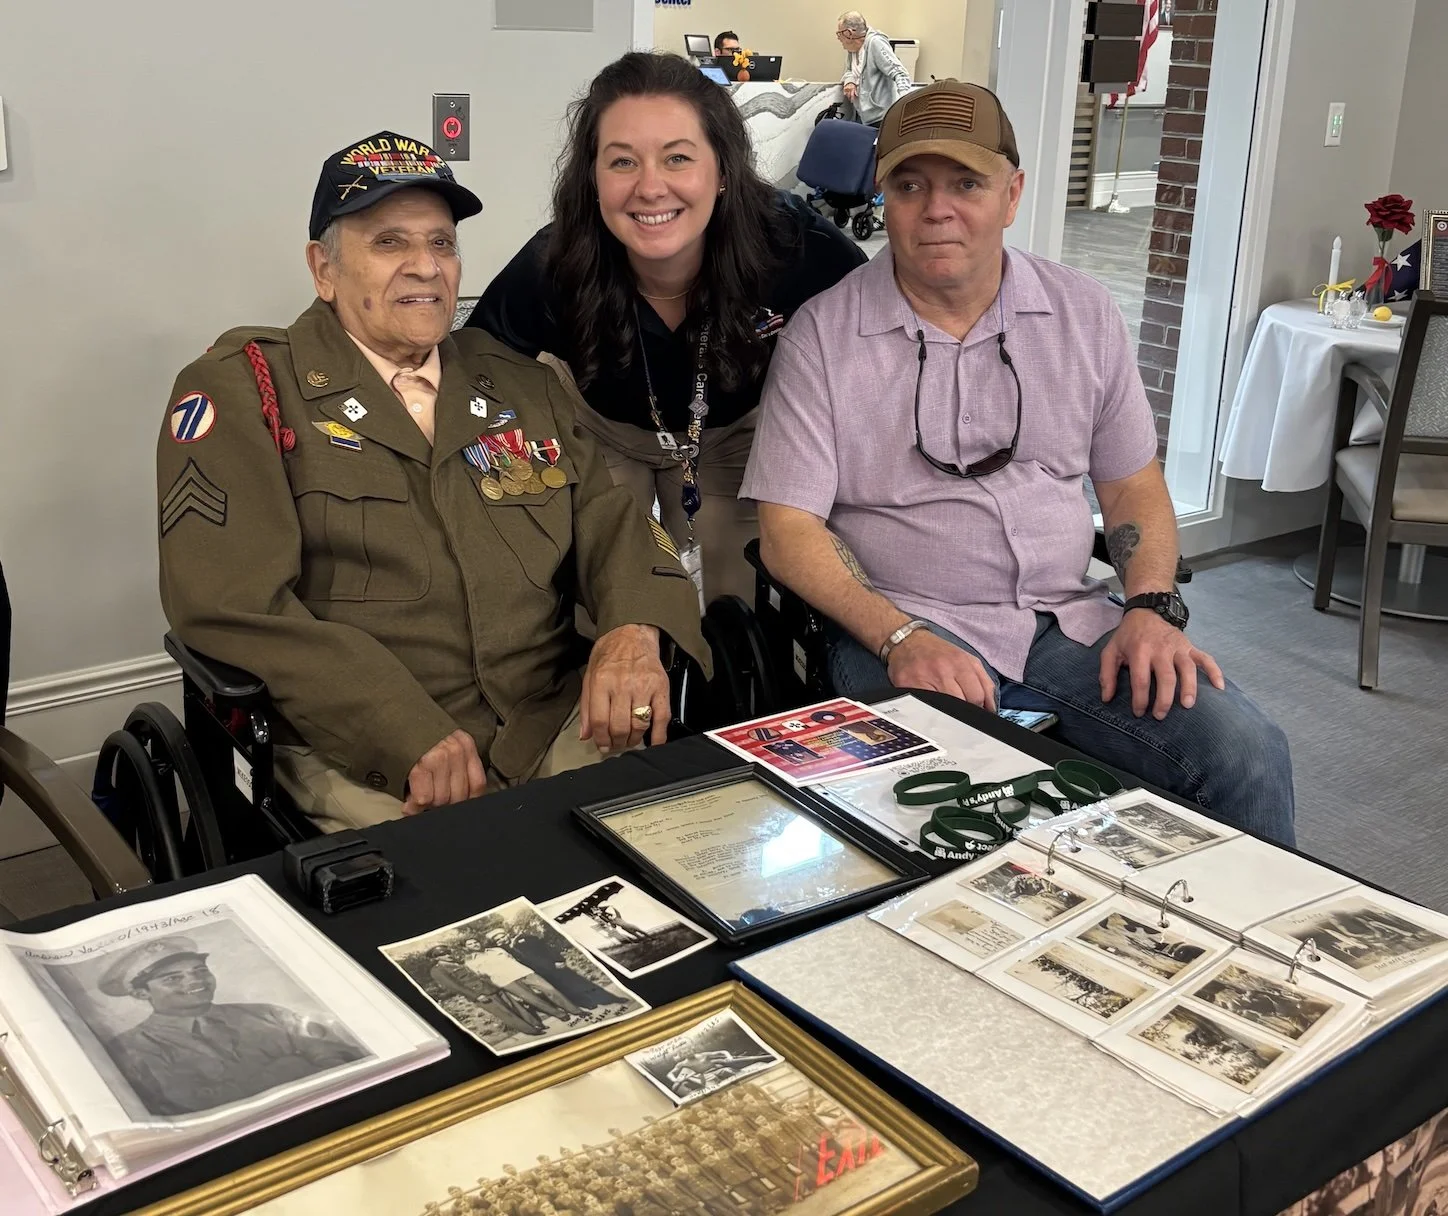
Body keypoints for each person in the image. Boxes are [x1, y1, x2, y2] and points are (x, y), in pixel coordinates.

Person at [740, 81, 1295, 845]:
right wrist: (900, 636)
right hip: (902, 624)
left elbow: (1132, 482)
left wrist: (1151, 607)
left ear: (1013, 193)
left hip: (1067, 623)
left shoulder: (1083, 314)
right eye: (910, 185)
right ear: (884, 198)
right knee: (972, 808)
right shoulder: (821, 338)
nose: (938, 209)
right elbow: (788, 529)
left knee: (1246, 753)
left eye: (966, 183)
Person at [157, 130, 708, 834]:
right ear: (323, 269)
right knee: (462, 922)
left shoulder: (517, 379)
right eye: (389, 243)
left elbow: (611, 521)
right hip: (363, 751)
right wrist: (398, 727)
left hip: (549, 723)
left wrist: (632, 630)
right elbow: (230, 602)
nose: (425, 268)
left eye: (442, 244)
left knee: (676, 869)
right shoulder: (245, 390)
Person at [471, 53, 865, 606]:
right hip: (605, 433)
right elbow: (473, 367)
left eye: (678, 158)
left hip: (736, 434)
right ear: (592, 176)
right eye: (622, 162)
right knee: (610, 607)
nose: (650, 188)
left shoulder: (795, 247)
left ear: (723, 171)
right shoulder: (555, 263)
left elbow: (877, 332)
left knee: (740, 606)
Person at [100, 936, 364, 1116]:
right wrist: (291, 1066)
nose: (194, 982)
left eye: (199, 971)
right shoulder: (131, 1048)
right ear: (141, 994)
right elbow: (195, 1106)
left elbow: (343, 1056)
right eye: (172, 979)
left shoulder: (266, 1013)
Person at [426, 944, 545, 1036]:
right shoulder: (437, 970)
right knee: (505, 1013)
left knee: (515, 1006)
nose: (448, 955)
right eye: (443, 954)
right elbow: (455, 986)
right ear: (436, 958)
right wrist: (475, 996)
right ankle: (530, 1030)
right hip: (480, 993)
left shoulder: (457, 962)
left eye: (448, 952)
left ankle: (536, 1024)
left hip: (490, 986)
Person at [835, 12, 914, 129]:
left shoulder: (875, 43)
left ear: (849, 33)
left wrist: (903, 104)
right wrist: (850, 81)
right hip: (863, 115)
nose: (838, 37)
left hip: (881, 118)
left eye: (839, 33)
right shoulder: (852, 49)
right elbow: (849, 71)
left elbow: (900, 73)